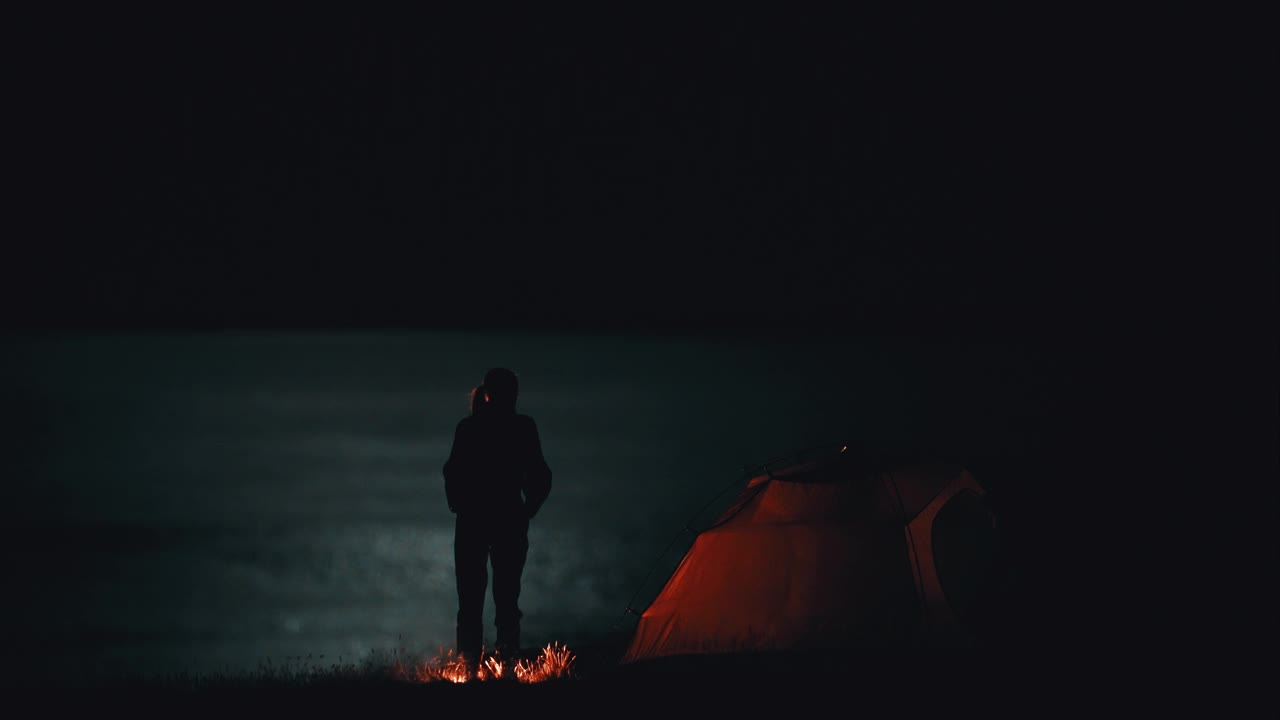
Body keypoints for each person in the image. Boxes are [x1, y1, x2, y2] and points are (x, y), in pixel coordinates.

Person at [443, 368, 552, 665]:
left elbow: (452, 472)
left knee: (471, 600)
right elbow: (540, 474)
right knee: (506, 599)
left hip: (473, 520)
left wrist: (458, 504)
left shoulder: (469, 428)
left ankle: (470, 667)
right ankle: (506, 664)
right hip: (508, 519)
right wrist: (529, 508)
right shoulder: (523, 427)